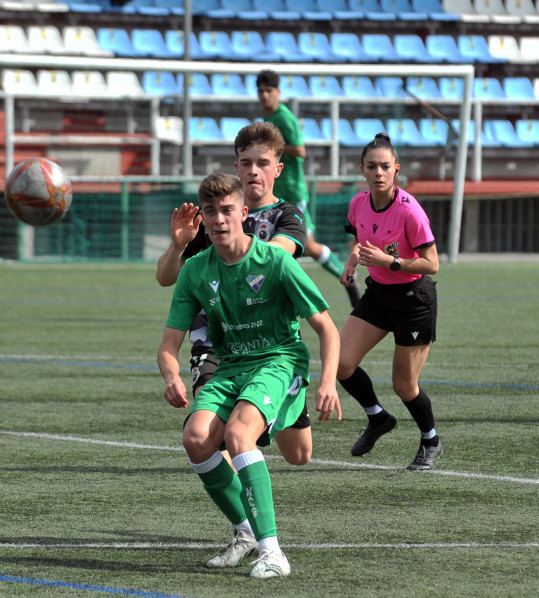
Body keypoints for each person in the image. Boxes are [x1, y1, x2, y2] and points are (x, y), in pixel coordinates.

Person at [157, 173, 341, 579]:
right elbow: (168, 346)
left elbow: (327, 327)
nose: (219, 219)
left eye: (227, 211)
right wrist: (171, 375)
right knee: (196, 438)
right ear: (203, 219)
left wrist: (327, 381)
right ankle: (245, 534)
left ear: (243, 213)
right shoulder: (195, 270)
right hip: (231, 366)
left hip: (279, 359)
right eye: (211, 212)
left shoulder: (274, 261)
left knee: (243, 437)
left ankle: (274, 554)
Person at [336, 133, 442, 470]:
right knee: (340, 363)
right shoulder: (358, 203)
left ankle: (431, 440)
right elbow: (360, 240)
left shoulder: (410, 211)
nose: (379, 172)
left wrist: (390, 262)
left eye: (385, 166)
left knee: (404, 385)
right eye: (372, 167)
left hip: (414, 300)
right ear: (362, 171)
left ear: (397, 170)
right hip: (379, 294)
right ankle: (378, 417)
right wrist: (354, 259)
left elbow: (432, 263)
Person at [256, 68, 362, 308]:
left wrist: (271, 149)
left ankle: (348, 277)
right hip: (278, 192)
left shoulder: (283, 118)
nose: (264, 95)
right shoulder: (270, 119)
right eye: (260, 91)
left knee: (309, 247)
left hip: (292, 192)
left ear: (278, 92)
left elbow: (300, 151)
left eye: (268, 91)